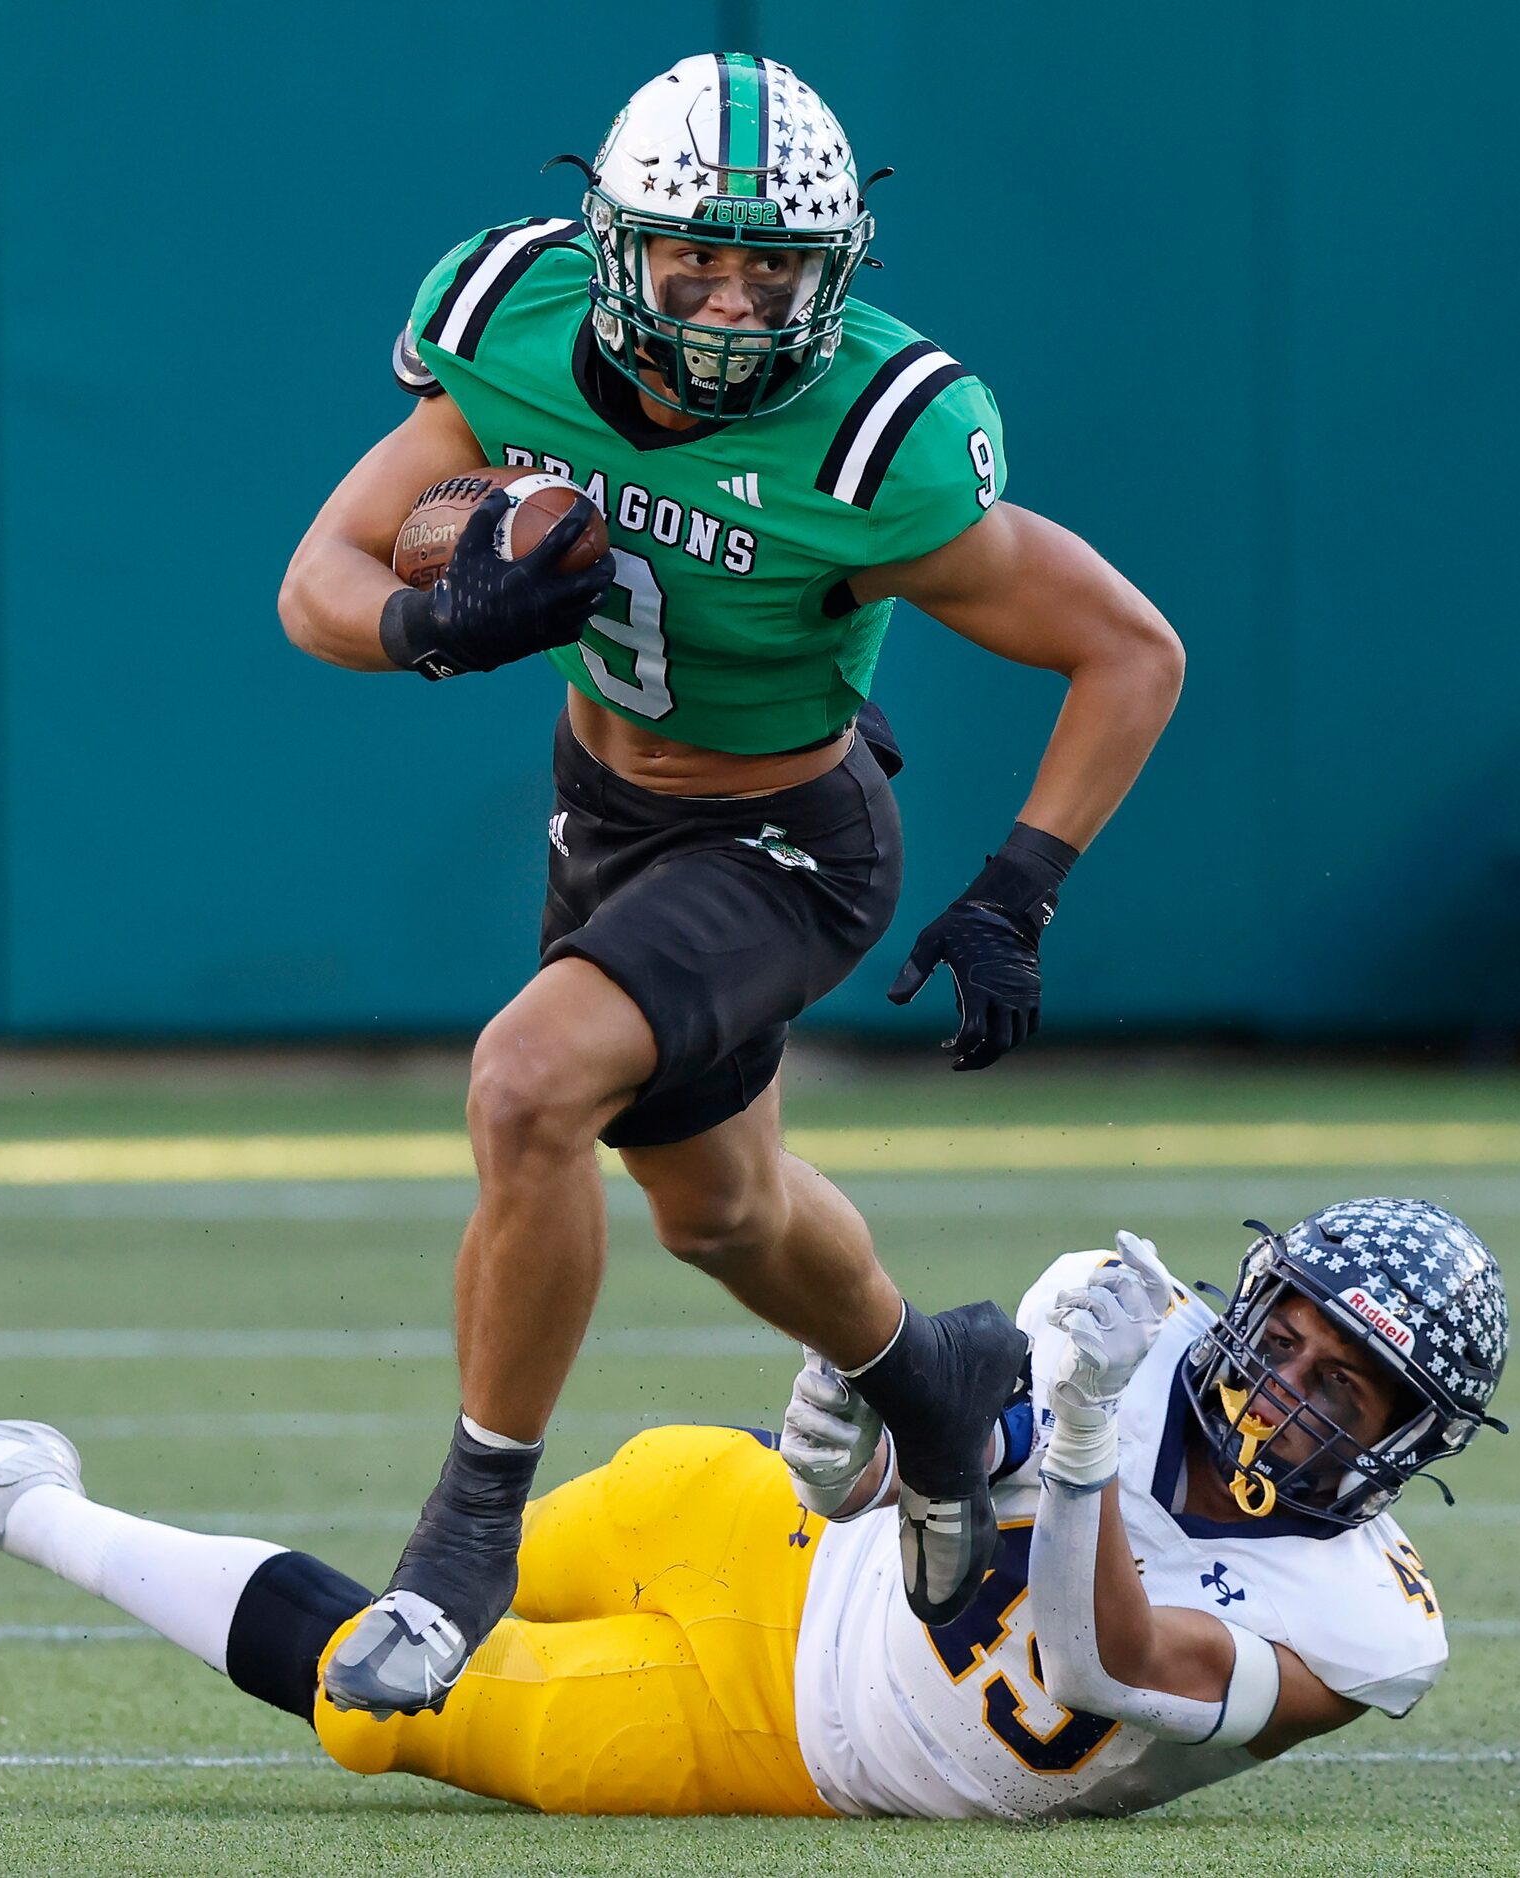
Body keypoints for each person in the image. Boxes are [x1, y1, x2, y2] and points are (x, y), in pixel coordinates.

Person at [273, 53, 1186, 1711]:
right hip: (602, 816)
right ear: (611, 244)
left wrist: (1019, 885)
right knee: (723, 1211)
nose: (729, 299)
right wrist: (433, 624)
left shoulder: (875, 441)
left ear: (834, 276)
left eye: (773, 267)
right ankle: (938, 1377)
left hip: (786, 841)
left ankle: (470, 1526)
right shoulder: (511, 328)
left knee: (527, 1081)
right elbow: (318, 580)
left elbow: (1129, 649)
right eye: (695, 256)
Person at [0, 1198, 1509, 1819]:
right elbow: (889, 1492)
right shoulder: (1123, 1315)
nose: (1285, 1381)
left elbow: (1105, 1657)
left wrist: (1063, 1448)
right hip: (732, 1511)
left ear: (1400, 1442)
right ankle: (29, 1481)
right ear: (1257, 1288)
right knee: (425, 1606)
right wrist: (856, 1426)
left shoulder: (1371, 1617)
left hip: (787, 1728)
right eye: (1289, 1332)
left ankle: (9, 1501)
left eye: (1343, 1385)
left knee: (378, 1702)